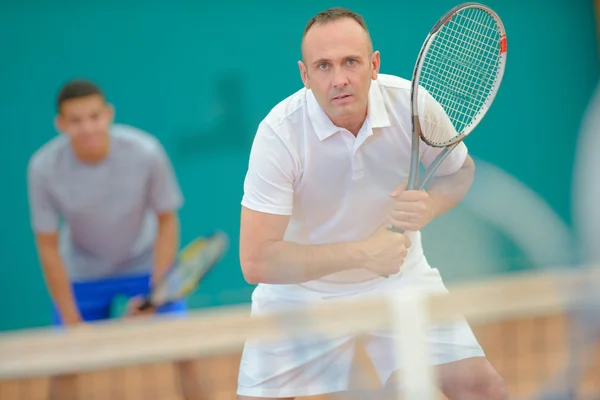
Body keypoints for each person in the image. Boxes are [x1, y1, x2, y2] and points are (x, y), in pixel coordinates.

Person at [236, 7, 508, 400]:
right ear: (305, 75)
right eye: (324, 66)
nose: (340, 79)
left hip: (401, 282)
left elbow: (459, 172)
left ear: (374, 64)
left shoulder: (411, 104)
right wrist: (363, 253)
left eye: (351, 62)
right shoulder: (279, 134)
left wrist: (429, 206)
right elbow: (257, 261)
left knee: (485, 391)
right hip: (300, 296)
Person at [26, 79, 203, 400]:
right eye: (76, 121)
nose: (87, 127)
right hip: (82, 272)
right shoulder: (42, 168)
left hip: (146, 265)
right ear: (60, 124)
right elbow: (47, 246)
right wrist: (71, 318)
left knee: (185, 350)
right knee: (63, 360)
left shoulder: (146, 152)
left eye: (94, 116)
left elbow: (167, 221)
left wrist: (157, 291)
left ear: (108, 114)